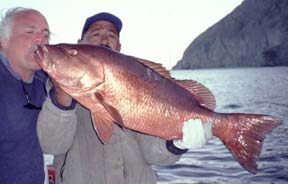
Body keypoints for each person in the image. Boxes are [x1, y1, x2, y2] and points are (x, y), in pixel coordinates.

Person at [38, 12, 212, 184]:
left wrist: (177, 144)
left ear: (119, 47)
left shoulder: (139, 79)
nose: (104, 40)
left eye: (111, 35)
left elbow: (155, 155)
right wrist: (61, 102)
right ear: (80, 43)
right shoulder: (54, 90)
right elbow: (52, 146)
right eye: (96, 34)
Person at [0, 7, 50, 184]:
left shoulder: (47, 80)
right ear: (4, 41)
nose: (41, 40)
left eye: (46, 35)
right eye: (29, 32)